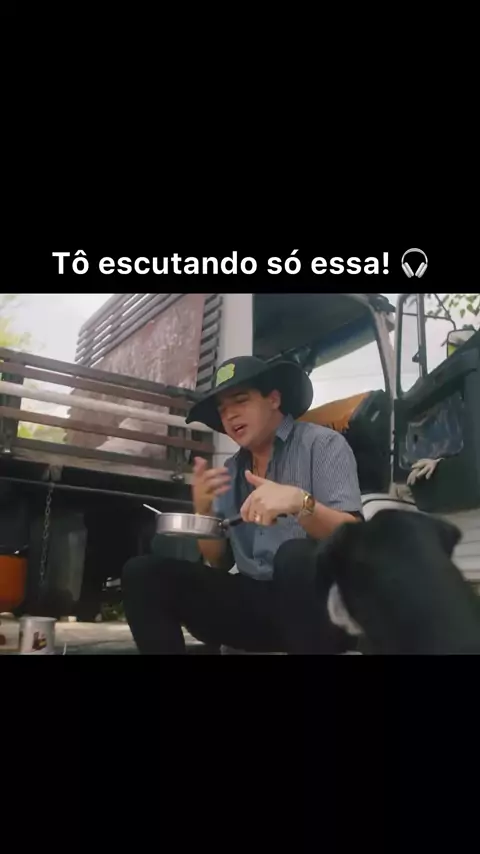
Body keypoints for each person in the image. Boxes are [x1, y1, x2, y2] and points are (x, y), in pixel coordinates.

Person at [122, 356, 364, 654]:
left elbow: (354, 537)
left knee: (294, 555)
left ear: (273, 399)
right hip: (259, 606)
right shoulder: (231, 471)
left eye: (240, 401)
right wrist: (204, 511)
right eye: (223, 409)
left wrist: (300, 503)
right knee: (142, 573)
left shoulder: (322, 444)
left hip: (323, 611)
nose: (231, 415)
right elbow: (220, 561)